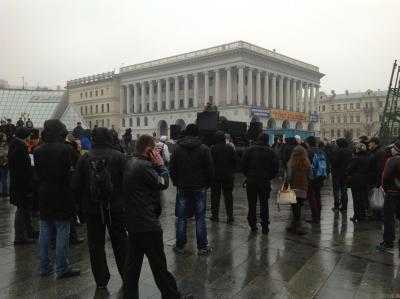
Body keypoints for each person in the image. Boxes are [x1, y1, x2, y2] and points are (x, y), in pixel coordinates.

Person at [123, 135, 181, 299]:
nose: (157, 152)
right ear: (148, 150)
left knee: (132, 266)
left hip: (134, 222)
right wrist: (161, 166)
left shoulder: (130, 162)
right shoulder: (143, 166)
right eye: (155, 149)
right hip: (147, 224)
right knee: (159, 265)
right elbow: (163, 183)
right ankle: (171, 295)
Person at [73, 128, 127, 288]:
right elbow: (127, 182)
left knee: (96, 244)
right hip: (115, 207)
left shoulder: (85, 158)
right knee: (120, 241)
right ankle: (126, 274)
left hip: (92, 208)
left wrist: (80, 208)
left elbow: (76, 185)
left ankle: (101, 280)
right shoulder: (119, 156)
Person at [34, 119, 80, 278]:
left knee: (45, 231)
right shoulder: (66, 149)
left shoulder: (38, 150)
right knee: (62, 230)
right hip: (62, 193)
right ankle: (62, 267)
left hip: (44, 193)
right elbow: (75, 168)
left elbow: (37, 174)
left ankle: (44, 267)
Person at [170, 124, 214, 255]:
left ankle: (180, 245)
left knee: (182, 217)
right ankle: (202, 247)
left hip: (183, 186)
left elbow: (172, 168)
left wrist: (176, 182)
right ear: (197, 133)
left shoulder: (177, 148)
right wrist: (207, 184)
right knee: (200, 217)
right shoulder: (204, 148)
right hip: (199, 187)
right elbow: (210, 169)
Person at [241, 133, 279, 234]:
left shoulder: (249, 150)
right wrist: (269, 177)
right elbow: (275, 168)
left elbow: (243, 165)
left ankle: (252, 224)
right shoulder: (271, 152)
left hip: (251, 181)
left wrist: (248, 175)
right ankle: (265, 226)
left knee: (252, 203)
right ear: (267, 140)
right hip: (264, 182)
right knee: (264, 204)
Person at [8, 127, 34, 245]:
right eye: (28, 135)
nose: (30, 137)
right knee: (22, 210)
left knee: (22, 209)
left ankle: (28, 232)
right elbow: (24, 168)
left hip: (16, 183)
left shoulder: (14, 145)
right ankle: (20, 236)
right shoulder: (20, 147)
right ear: (24, 135)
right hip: (22, 184)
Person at [210, 130, 237, 224]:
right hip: (228, 176)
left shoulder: (213, 148)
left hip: (215, 177)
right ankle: (230, 217)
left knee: (215, 197)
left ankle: (215, 216)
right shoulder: (230, 148)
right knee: (228, 197)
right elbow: (235, 161)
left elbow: (210, 163)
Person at [377, 141, 400, 251]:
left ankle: (388, 241)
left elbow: (385, 177)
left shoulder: (393, 160)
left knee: (389, 218)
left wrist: (385, 189)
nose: (392, 150)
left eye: (393, 148)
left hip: (392, 192)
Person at [286, 145, 311, 235]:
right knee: (300, 205)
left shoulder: (291, 163)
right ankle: (297, 225)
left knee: (294, 207)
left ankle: (295, 225)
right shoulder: (307, 162)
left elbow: (289, 176)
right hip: (303, 187)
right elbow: (310, 175)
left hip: (294, 187)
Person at [305, 136, 328, 224]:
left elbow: (306, 166)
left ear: (308, 143)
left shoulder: (308, 152)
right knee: (318, 195)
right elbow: (327, 164)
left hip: (312, 177)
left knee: (311, 197)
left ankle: (315, 217)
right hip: (321, 176)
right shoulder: (322, 151)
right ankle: (318, 215)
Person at [345, 143, 370, 223]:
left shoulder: (356, 158)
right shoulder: (368, 158)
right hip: (365, 180)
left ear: (358, 150)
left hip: (356, 181)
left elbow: (349, 169)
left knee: (356, 199)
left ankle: (357, 215)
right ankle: (362, 215)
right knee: (362, 198)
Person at [330, 138, 352, 212]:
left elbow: (334, 162)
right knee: (344, 191)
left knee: (336, 190)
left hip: (337, 174)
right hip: (346, 173)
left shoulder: (337, 151)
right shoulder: (349, 151)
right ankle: (344, 207)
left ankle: (336, 206)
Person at [0, 132, 9, 197]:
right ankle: (4, 192)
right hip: (4, 163)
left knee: (3, 178)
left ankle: (3, 191)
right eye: (4, 136)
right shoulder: (5, 145)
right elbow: (6, 153)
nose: (6, 137)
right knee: (4, 178)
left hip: (3, 163)